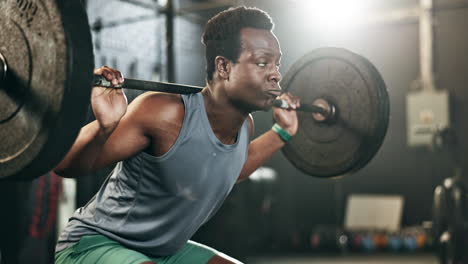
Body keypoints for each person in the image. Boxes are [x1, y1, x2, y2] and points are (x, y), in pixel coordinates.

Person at [54, 6, 300, 264]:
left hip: (163, 252)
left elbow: (232, 167)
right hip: (95, 243)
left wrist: (283, 132)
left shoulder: (243, 126)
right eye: (263, 63)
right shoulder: (164, 112)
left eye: (276, 64)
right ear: (224, 67)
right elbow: (63, 164)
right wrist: (104, 127)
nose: (276, 74)